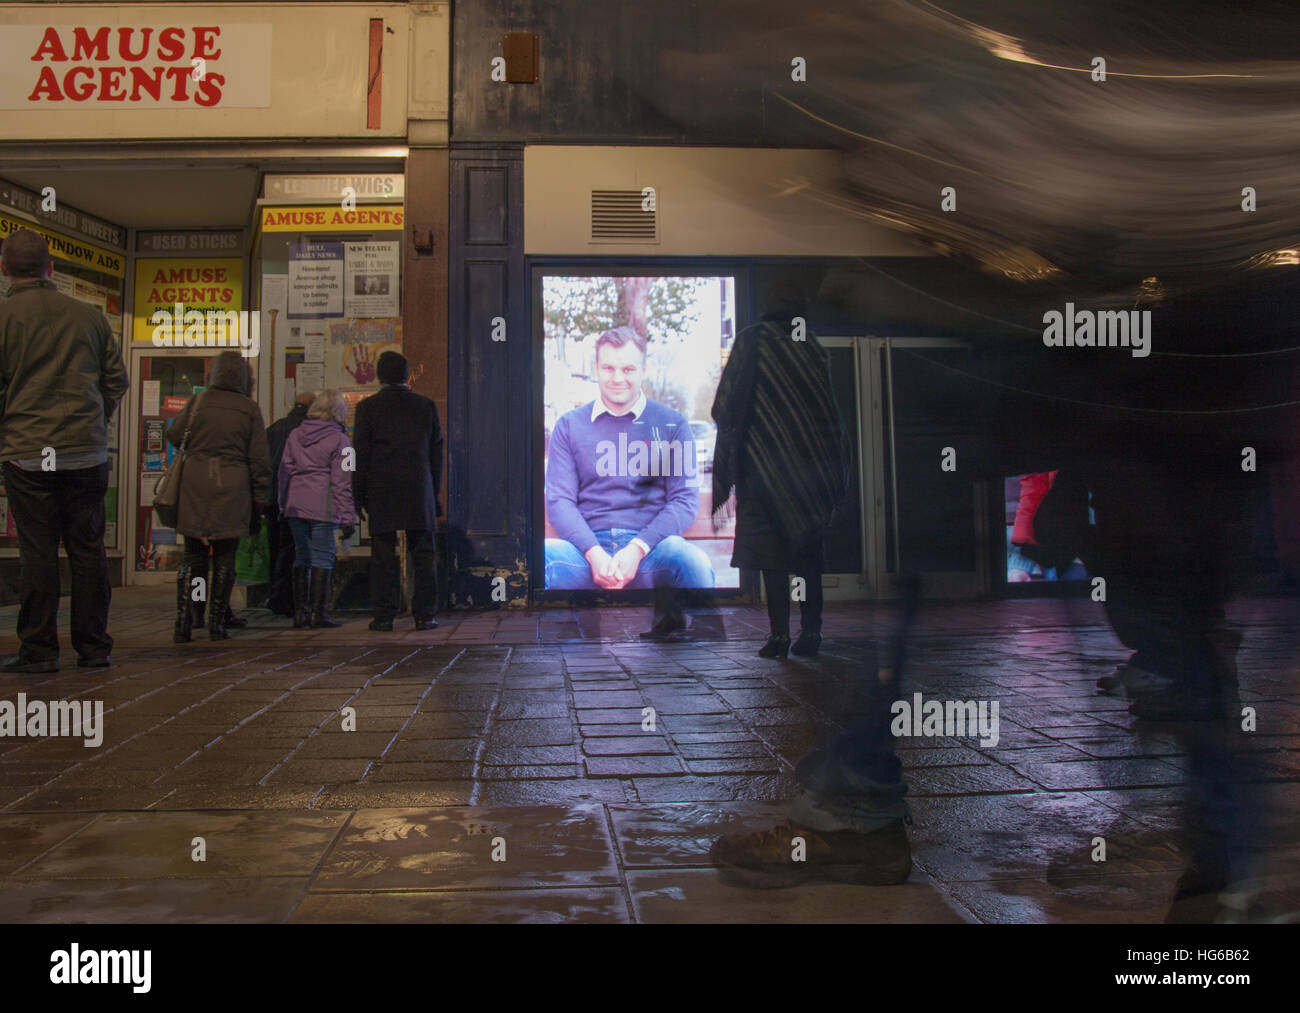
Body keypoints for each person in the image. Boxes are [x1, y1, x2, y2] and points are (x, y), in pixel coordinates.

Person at [0, 229, 129, 672]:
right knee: (87, 550)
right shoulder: (89, 317)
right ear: (49, 268)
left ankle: (39, 651)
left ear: (4, 269)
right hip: (87, 453)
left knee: (38, 552)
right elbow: (117, 381)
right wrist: (96, 418)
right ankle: (94, 649)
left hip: (28, 453)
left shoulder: (3, 318)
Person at [545, 325, 714, 635]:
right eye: (608, 367)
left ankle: (694, 662)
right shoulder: (569, 426)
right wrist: (593, 552)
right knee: (542, 561)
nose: (617, 377)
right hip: (585, 553)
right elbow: (559, 500)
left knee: (693, 562)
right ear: (595, 368)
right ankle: (562, 658)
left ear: (643, 370)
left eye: (628, 368)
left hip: (653, 551)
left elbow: (684, 501)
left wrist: (637, 548)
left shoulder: (672, 424)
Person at [711, 308, 850, 658]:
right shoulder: (810, 347)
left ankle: (779, 637)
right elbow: (828, 413)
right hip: (808, 473)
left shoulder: (752, 340)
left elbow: (725, 405)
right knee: (806, 559)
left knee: (773, 560)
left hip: (761, 471)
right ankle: (811, 632)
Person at [166, 351, 270, 642]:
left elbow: (174, 434)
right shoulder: (249, 409)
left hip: (195, 483)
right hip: (232, 485)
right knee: (225, 557)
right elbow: (260, 459)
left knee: (194, 557)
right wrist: (260, 495)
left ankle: (185, 620)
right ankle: (217, 621)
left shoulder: (198, 401)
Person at [352, 352, 442, 631]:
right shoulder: (426, 406)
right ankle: (425, 615)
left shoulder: (368, 408)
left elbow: (360, 455)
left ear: (380, 376)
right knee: (423, 554)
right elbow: (436, 454)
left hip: (382, 488)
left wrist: (358, 495)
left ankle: (383, 615)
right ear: (407, 376)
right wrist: (433, 494)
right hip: (418, 487)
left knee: (382, 554)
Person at [279, 389, 356, 628]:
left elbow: (284, 472)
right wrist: (348, 515)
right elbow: (343, 481)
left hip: (295, 504)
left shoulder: (294, 435)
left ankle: (300, 613)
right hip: (323, 504)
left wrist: (283, 503)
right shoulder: (343, 441)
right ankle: (318, 613)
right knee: (323, 557)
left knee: (302, 556)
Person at [263, 390, 314, 616]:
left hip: (274, 498)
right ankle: (297, 601)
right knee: (299, 549)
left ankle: (277, 596)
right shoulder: (313, 431)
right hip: (300, 500)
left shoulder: (276, 427)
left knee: (278, 548)